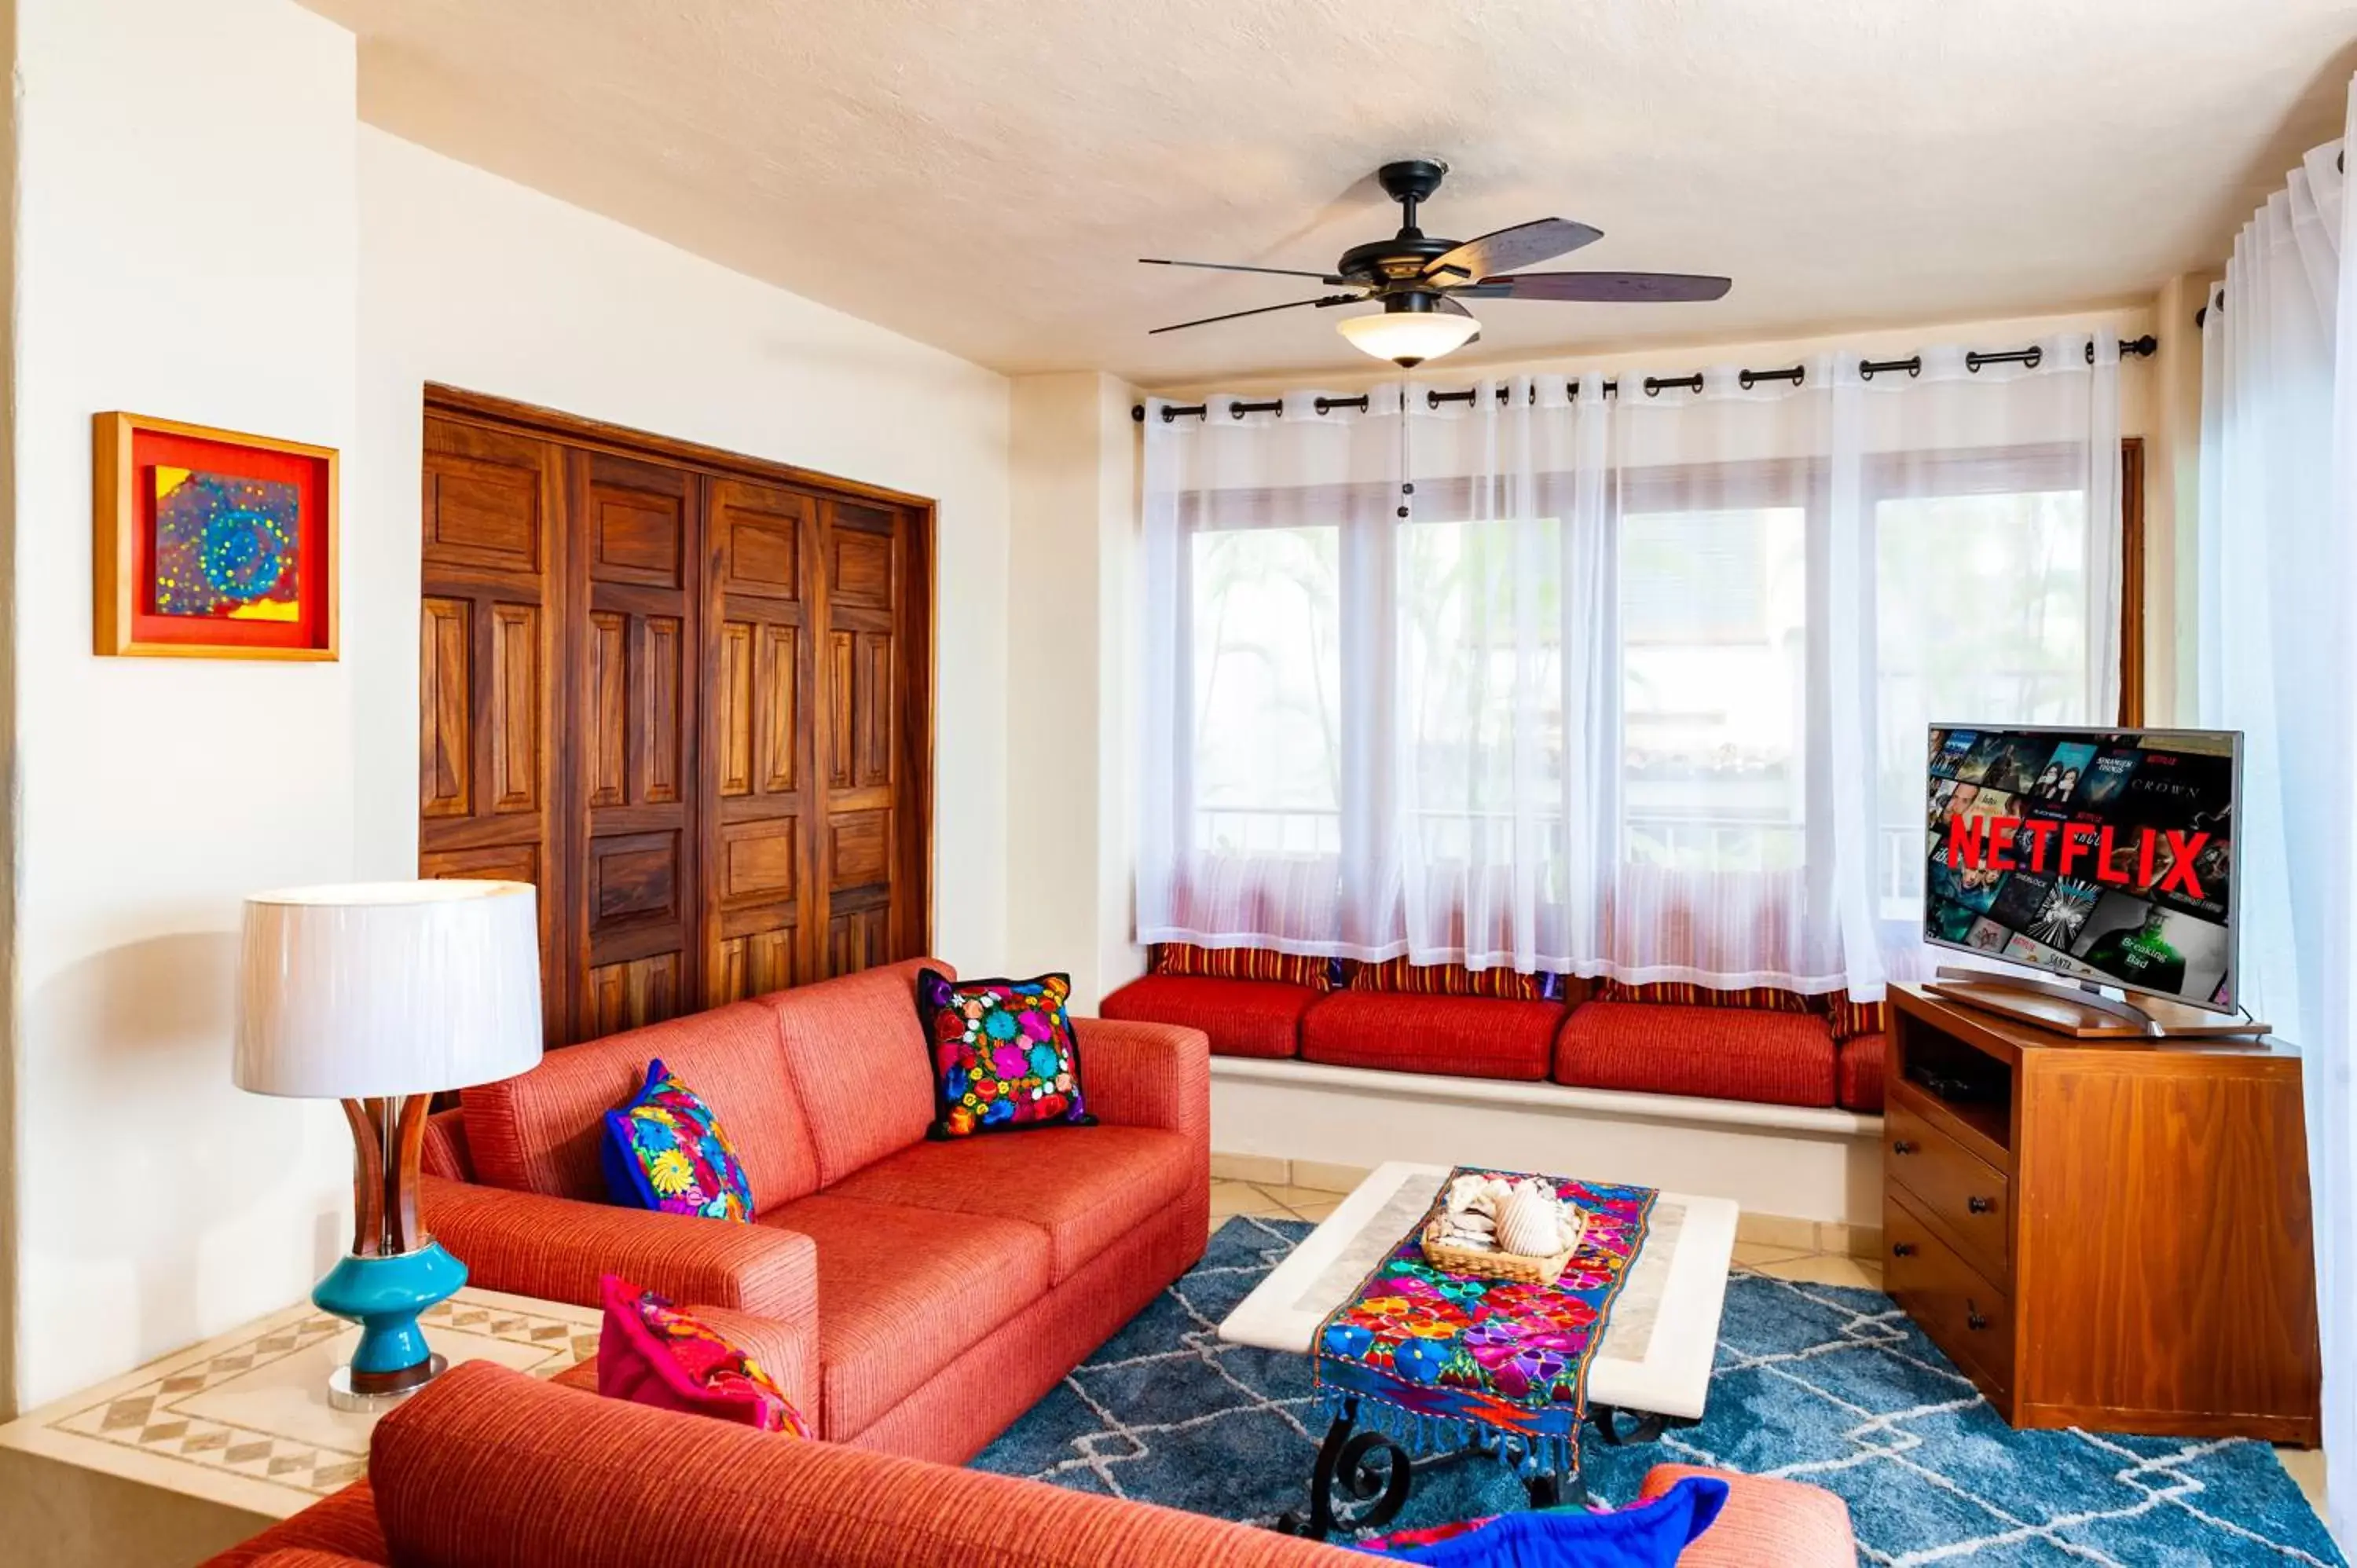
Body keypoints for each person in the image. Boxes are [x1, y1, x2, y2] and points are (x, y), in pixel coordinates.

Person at [2080, 904, 2186, 996]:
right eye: (2156, 915)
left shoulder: (2176, 961)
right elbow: (2085, 969)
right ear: (2148, 913)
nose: (2158, 923)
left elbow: (2167, 1000)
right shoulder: (2114, 937)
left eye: (2166, 918)